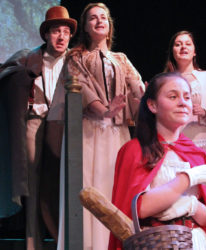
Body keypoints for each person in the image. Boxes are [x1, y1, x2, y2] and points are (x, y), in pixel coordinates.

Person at [48, 3, 145, 250]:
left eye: (103, 17)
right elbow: (79, 86)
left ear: (109, 25)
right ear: (86, 28)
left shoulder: (121, 59)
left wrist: (147, 97)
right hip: (88, 133)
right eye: (93, 18)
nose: (99, 21)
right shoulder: (76, 56)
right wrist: (105, 110)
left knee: (114, 188)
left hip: (117, 133)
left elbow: (138, 87)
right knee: (90, 189)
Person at [109, 72, 206, 250]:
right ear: (152, 105)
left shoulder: (198, 156)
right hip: (158, 242)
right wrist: (187, 179)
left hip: (197, 242)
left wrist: (191, 205)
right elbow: (138, 208)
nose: (182, 102)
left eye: (187, 97)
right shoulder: (135, 151)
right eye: (173, 97)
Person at [0, 6, 77, 249]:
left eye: (66, 31)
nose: (61, 36)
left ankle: (61, 238)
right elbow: (7, 72)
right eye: (56, 31)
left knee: (59, 182)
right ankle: (33, 243)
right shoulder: (30, 56)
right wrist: (24, 76)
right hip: (35, 120)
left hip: (64, 126)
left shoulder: (75, 60)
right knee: (32, 182)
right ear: (46, 35)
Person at [164, 31, 206, 164]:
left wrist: (204, 112)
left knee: (202, 183)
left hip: (203, 143)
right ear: (172, 52)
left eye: (188, 44)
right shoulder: (164, 82)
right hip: (174, 144)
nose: (183, 47)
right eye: (178, 44)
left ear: (194, 52)